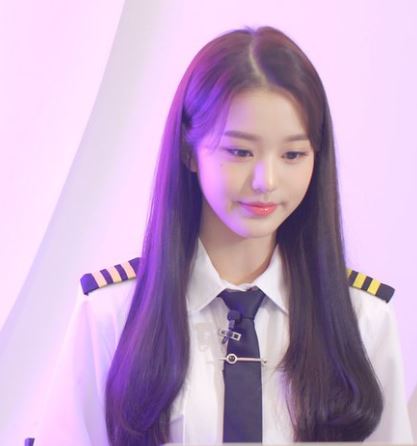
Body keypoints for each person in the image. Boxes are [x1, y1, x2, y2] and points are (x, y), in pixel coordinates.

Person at [34, 26, 413, 445]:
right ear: (189, 151)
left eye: (292, 154)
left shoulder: (362, 319)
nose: (266, 180)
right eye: (239, 152)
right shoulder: (113, 315)